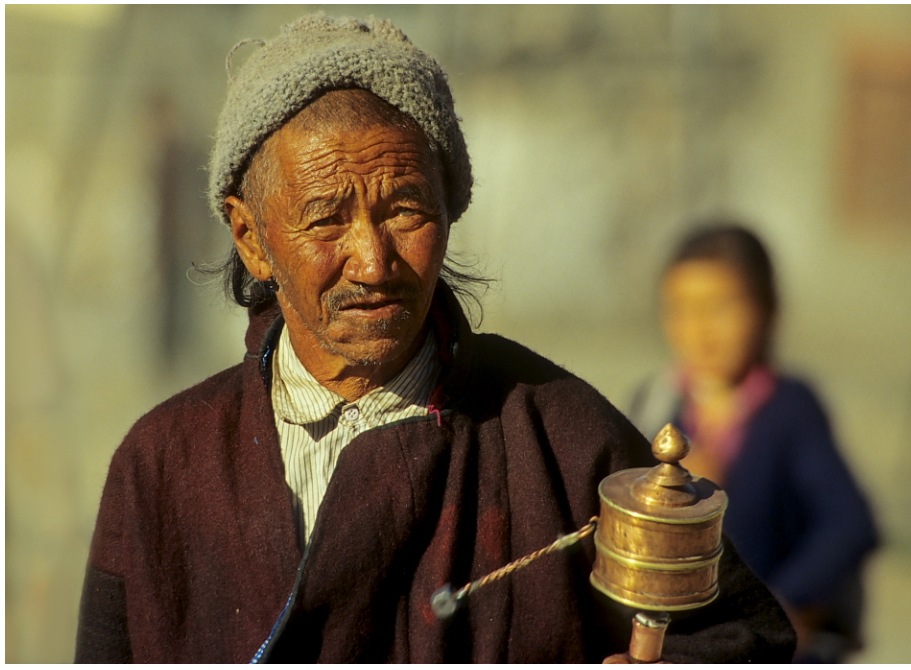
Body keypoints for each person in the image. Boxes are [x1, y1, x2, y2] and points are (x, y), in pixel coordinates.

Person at [75, 15, 795, 663]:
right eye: (326, 218)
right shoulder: (165, 465)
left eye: (406, 209)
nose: (373, 260)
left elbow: (746, 640)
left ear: (449, 211)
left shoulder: (563, 441)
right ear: (251, 239)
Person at [629, 223, 879, 662]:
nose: (699, 327)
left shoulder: (790, 411)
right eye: (681, 308)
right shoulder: (654, 405)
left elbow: (849, 523)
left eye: (720, 306)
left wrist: (786, 602)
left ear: (767, 309)